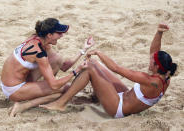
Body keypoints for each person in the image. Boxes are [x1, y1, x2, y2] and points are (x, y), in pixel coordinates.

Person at [40, 23, 177, 118]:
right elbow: (154, 51)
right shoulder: (165, 74)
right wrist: (159, 32)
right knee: (93, 63)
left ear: (157, 66)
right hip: (125, 95)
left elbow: (116, 68)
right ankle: (96, 93)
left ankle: (60, 103)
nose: (149, 61)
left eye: (152, 62)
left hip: (118, 108)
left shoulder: (149, 81)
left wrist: (98, 52)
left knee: (89, 69)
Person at [0, 18, 94, 117]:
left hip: (14, 81)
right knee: (66, 89)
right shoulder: (39, 52)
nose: (62, 35)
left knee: (56, 60)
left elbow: (64, 66)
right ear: (49, 35)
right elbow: (54, 85)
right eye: (59, 33)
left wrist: (84, 49)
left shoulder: (38, 39)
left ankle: (43, 93)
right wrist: (77, 70)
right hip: (13, 90)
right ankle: (23, 105)